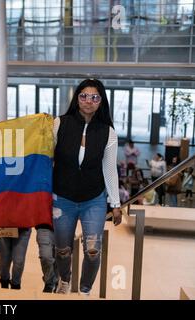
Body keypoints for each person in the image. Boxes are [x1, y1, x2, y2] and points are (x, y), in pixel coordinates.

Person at [52, 79, 122, 296]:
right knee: (63, 249)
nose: (88, 101)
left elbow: (110, 170)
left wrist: (116, 203)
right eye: (84, 95)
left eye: (95, 97)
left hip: (94, 199)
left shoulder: (107, 132)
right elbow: (45, 159)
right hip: (62, 197)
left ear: (101, 101)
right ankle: (64, 280)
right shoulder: (59, 123)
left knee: (93, 250)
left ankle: (84, 289)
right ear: (77, 98)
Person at [35, 224, 58, 293]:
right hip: (44, 225)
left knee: (60, 258)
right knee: (45, 257)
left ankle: (57, 283)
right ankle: (49, 282)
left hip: (64, 226)